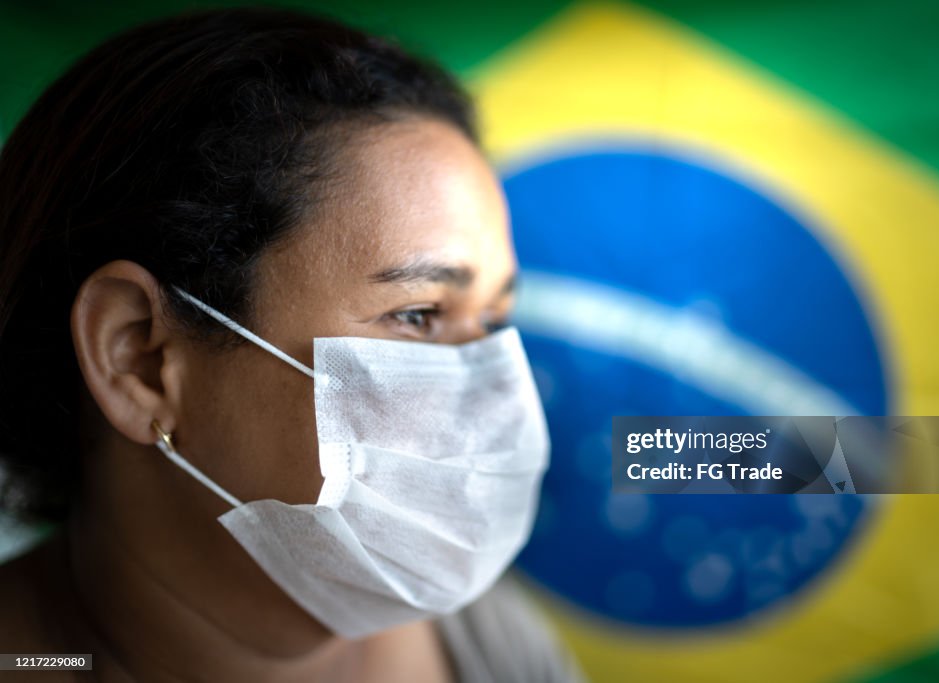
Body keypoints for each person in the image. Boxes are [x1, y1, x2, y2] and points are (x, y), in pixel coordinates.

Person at [0, 7, 587, 682]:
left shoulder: (489, 639)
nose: (500, 398)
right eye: (419, 314)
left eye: (491, 323)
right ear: (140, 359)